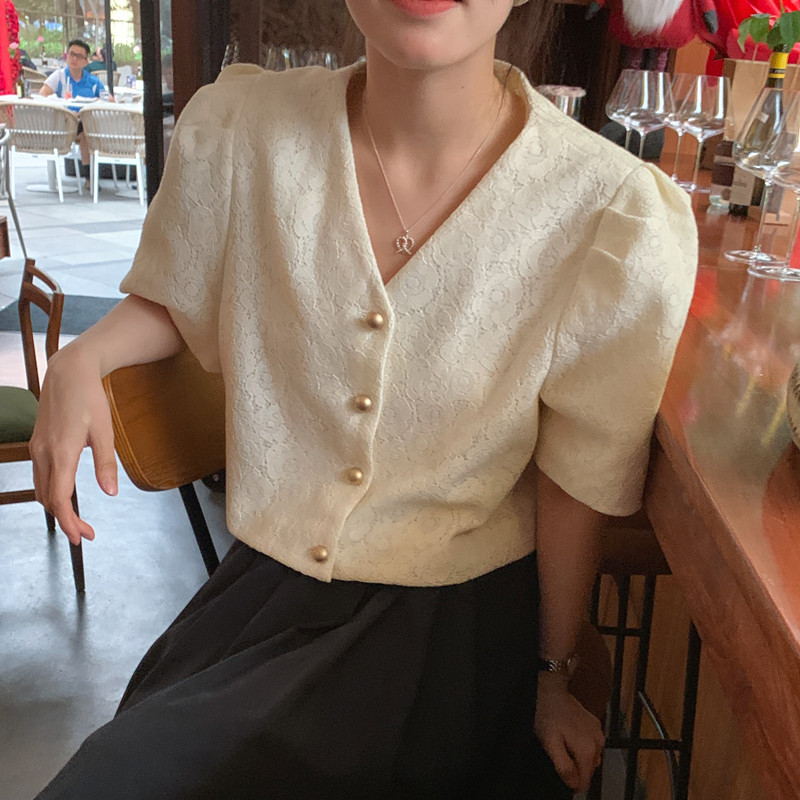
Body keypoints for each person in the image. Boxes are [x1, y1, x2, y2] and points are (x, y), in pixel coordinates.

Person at [30, 0, 698, 797]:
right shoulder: (244, 131)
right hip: (263, 603)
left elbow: (572, 482)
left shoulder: (609, 212)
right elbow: (179, 294)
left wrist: (553, 676)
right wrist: (84, 356)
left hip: (457, 637)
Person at [39, 39, 104, 177]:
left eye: (79, 56)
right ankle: (89, 176)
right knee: (86, 129)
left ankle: (89, 176)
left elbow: (107, 99)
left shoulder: (93, 81)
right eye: (72, 54)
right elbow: (43, 95)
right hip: (63, 123)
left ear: (86, 61)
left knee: (87, 130)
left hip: (85, 124)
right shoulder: (59, 76)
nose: (74, 59)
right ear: (67, 55)